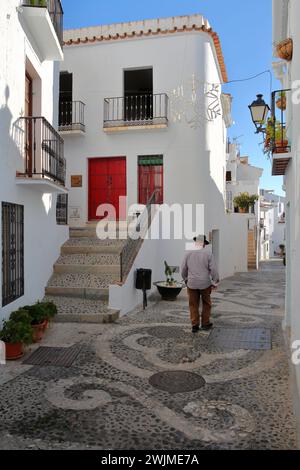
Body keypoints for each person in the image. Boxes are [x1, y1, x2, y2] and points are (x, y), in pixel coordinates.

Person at [181, 235, 219, 333]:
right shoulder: (208, 253)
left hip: (192, 283)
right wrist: (215, 280)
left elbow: (183, 268)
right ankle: (205, 323)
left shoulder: (188, 252)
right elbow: (213, 269)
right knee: (206, 303)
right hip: (205, 283)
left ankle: (195, 325)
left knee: (193, 304)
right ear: (203, 244)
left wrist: (185, 279)